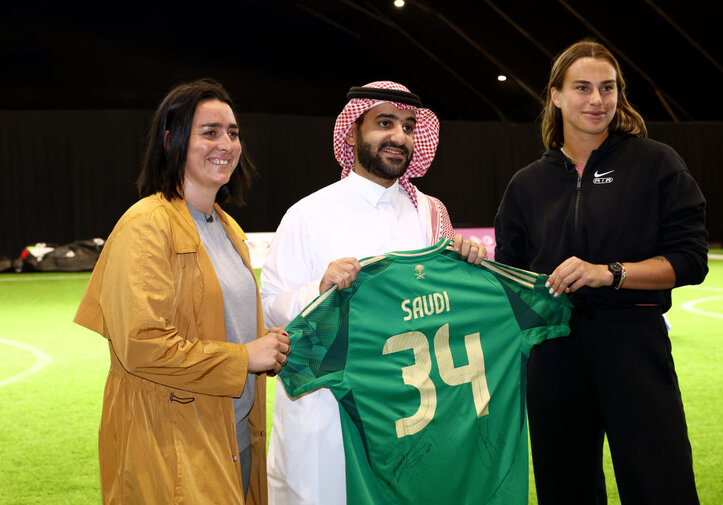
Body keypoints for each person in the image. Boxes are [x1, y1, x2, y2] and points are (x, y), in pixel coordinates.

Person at [494, 40, 708, 504]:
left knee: (660, 485)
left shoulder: (655, 163)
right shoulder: (527, 184)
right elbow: (508, 281)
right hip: (554, 360)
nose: (597, 100)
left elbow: (691, 260)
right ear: (555, 95)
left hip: (635, 349)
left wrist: (608, 273)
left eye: (607, 89)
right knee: (565, 489)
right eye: (583, 88)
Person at [261, 80, 485, 505]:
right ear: (351, 131)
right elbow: (268, 310)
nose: (399, 136)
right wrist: (318, 288)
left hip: (410, 422)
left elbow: (449, 317)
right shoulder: (308, 214)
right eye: (385, 123)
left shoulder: (429, 214)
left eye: (407, 125)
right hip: (327, 418)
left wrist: (467, 266)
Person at [74, 79, 290, 505]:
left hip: (233, 438)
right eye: (209, 132)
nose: (226, 143)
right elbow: (142, 344)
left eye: (233, 132)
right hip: (173, 446)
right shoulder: (146, 225)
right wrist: (244, 357)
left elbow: (238, 323)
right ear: (172, 141)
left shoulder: (229, 229)